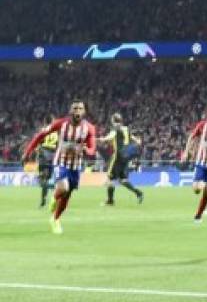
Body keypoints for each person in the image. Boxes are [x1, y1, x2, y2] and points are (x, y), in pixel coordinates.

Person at [22, 100, 96, 235]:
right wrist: (27, 152)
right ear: (70, 111)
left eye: (80, 108)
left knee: (67, 195)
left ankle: (55, 219)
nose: (77, 111)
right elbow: (40, 135)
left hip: (76, 166)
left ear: (84, 111)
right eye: (75, 108)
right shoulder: (61, 124)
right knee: (63, 187)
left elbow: (92, 149)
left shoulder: (89, 128)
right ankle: (54, 197)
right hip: (60, 162)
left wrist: (86, 150)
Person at [98, 113, 144, 206]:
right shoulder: (126, 128)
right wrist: (137, 141)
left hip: (117, 156)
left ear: (113, 120)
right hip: (125, 156)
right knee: (122, 180)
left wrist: (102, 139)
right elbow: (132, 137)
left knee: (110, 179)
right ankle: (138, 193)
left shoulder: (115, 129)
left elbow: (110, 136)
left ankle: (110, 201)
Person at [34, 117, 59, 208]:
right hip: (52, 156)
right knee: (47, 179)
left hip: (44, 155)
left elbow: (38, 142)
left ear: (44, 121)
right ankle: (52, 192)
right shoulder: (56, 132)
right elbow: (58, 144)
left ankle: (44, 200)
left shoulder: (43, 130)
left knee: (42, 180)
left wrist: (37, 150)